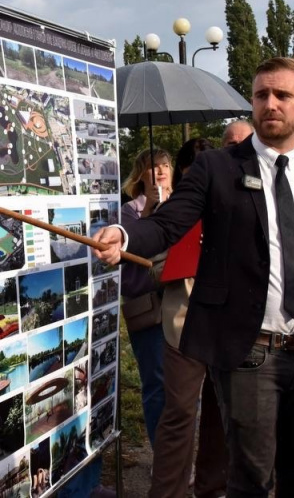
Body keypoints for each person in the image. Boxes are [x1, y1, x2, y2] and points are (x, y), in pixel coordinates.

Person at [93, 57, 294, 497]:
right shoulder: (218, 169)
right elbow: (168, 224)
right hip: (250, 354)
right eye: (262, 95)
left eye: (283, 95)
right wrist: (126, 234)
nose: (271, 104)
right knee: (250, 479)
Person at [151, 137, 226, 498]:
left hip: (230, 326)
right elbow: (151, 267)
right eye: (193, 164)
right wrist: (170, 263)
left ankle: (212, 489)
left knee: (220, 414)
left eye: (208, 161)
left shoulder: (237, 202)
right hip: (183, 322)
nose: (201, 169)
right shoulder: (172, 208)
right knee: (179, 412)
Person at [119, 147, 173, 447]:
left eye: (165, 164)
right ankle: (162, 455)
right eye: (153, 166)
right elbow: (131, 258)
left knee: (186, 384)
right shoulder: (130, 211)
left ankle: (183, 453)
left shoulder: (183, 203)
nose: (161, 171)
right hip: (149, 309)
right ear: (141, 175)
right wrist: (151, 210)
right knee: (157, 383)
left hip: (182, 305)